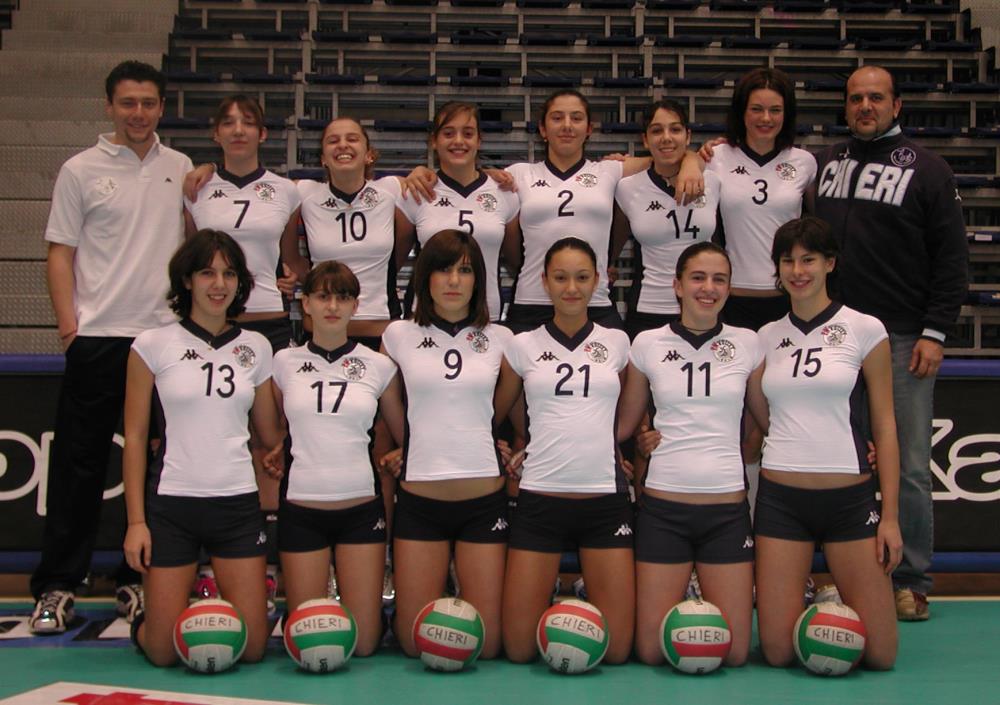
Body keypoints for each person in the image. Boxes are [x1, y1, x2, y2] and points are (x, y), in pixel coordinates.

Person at [31, 60, 194, 633]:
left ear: (162, 107)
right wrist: (69, 328)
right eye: (128, 103)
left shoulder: (181, 168)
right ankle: (58, 584)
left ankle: (141, 579)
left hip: (163, 340)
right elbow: (60, 252)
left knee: (160, 467)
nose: (138, 113)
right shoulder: (79, 170)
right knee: (79, 464)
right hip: (98, 339)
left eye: (148, 103)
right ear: (109, 106)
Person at [812, 66, 968, 622]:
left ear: (897, 105)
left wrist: (934, 331)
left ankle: (911, 580)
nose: (865, 106)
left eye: (876, 97)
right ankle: (833, 575)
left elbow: (952, 258)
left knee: (909, 464)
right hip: (834, 336)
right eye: (855, 98)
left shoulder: (928, 169)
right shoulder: (827, 163)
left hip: (903, 336)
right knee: (828, 456)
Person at [404, 90, 704, 334]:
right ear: (543, 129)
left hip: (594, 302)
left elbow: (666, 156)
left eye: (576, 118)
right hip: (532, 302)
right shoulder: (517, 175)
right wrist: (420, 172)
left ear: (589, 129)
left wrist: (691, 160)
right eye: (557, 118)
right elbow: (470, 177)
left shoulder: (609, 171)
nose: (567, 125)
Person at [122, 229, 284, 666]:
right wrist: (136, 523)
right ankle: (147, 618)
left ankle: (206, 608)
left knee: (252, 649)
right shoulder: (152, 346)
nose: (219, 284)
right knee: (161, 652)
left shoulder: (256, 347)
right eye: (207, 273)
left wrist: (288, 441)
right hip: (172, 505)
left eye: (229, 274)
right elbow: (135, 438)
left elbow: (268, 435)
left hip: (236, 505)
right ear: (187, 280)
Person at [746, 216, 901, 670]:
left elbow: (885, 425)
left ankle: (832, 597)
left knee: (881, 656)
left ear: (830, 263)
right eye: (788, 261)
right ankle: (822, 601)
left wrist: (890, 517)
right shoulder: (765, 337)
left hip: (849, 500)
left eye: (809, 259)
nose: (798, 271)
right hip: (781, 500)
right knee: (777, 653)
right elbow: (760, 415)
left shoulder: (865, 329)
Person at [183, 94, 301, 607]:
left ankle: (266, 563)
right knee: (217, 438)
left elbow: (292, 259)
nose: (238, 130)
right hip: (210, 326)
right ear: (215, 133)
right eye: (228, 123)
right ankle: (213, 562)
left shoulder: (286, 190)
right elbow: (189, 257)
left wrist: (292, 279)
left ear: (263, 133)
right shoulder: (196, 187)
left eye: (248, 122)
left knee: (270, 445)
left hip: (268, 325)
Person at [618, 241, 758, 667]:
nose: (708, 288)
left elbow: (768, 420)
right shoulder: (646, 343)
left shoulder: (749, 343)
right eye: (698, 278)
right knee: (650, 651)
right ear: (677, 285)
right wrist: (637, 445)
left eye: (719, 279)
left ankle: (695, 595)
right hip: (664, 510)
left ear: (729, 288)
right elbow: (625, 425)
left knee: (734, 653)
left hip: (726, 510)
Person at [496, 237, 634, 664]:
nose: (571, 288)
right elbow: (497, 411)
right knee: (518, 649)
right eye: (560, 278)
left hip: (604, 501)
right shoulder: (521, 345)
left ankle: (575, 595)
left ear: (598, 280)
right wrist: (517, 444)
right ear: (544, 281)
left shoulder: (618, 342)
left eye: (581, 277)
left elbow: (626, 411)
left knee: (617, 651)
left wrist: (620, 444)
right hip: (541, 499)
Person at [379, 229, 515, 660]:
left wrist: (495, 439)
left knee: (486, 645)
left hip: (483, 502)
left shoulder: (502, 339)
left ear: (479, 280)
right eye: (443, 269)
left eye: (465, 270)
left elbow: (503, 408)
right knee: (413, 642)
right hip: (421, 502)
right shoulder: (397, 335)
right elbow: (387, 403)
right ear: (425, 277)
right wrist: (410, 445)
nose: (454, 280)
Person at [266, 261, 402, 656]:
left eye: (343, 297)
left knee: (364, 644)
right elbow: (279, 428)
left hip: (360, 509)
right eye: (323, 296)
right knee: (309, 640)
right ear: (305, 303)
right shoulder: (282, 362)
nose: (332, 306)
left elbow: (404, 434)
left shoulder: (380, 366)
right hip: (301, 508)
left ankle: (378, 616)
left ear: (356, 306)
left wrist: (402, 452)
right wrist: (278, 447)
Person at [701, 68, 816, 332]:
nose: (766, 118)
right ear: (742, 112)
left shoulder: (805, 163)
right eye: (756, 109)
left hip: (789, 296)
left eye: (775, 110)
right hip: (732, 299)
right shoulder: (716, 158)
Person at [395, 102, 520, 322]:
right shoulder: (417, 192)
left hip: (485, 316)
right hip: (427, 317)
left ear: (479, 140)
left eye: (468, 133)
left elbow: (517, 262)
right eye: (448, 133)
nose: (459, 141)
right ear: (434, 141)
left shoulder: (504, 192)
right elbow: (393, 263)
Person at [292, 117, 410, 351]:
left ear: (369, 155)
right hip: (321, 334)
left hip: (380, 333)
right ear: (323, 158)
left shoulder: (392, 189)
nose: (343, 145)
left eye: (352, 139)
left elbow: (404, 244)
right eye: (333, 140)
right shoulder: (304, 192)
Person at [612, 99, 720, 340]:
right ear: (645, 139)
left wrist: (692, 160)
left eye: (675, 129)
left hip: (703, 304)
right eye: (657, 131)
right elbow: (613, 242)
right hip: (649, 308)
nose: (666, 138)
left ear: (688, 136)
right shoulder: (627, 188)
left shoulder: (714, 181)